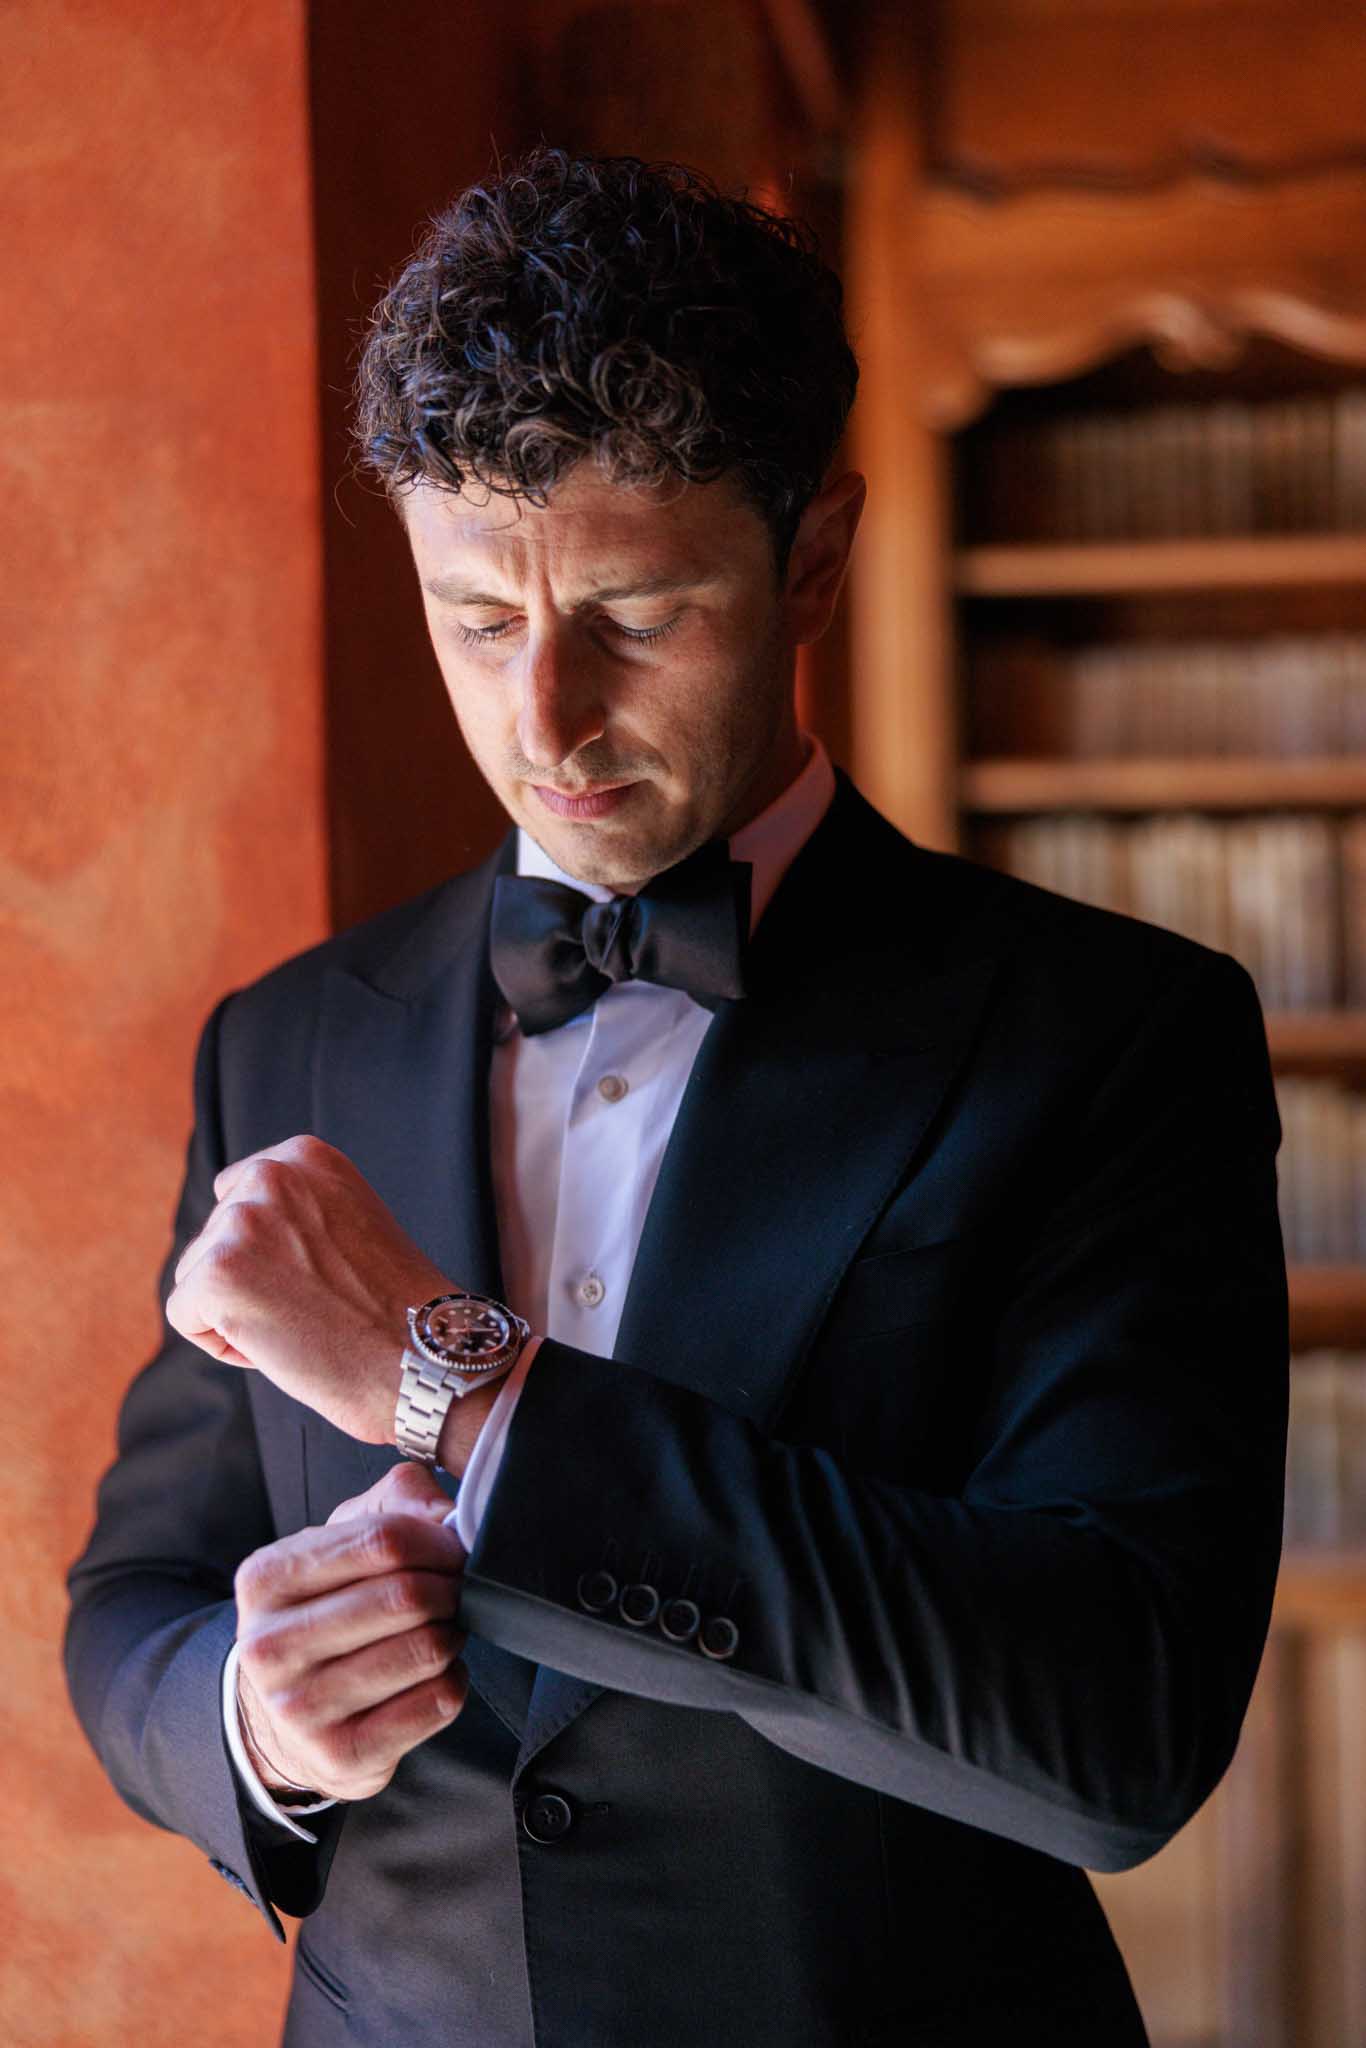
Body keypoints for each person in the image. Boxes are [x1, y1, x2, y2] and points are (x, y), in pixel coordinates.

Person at [65, 145, 1288, 2048]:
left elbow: (1111, 1729)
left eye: (632, 616)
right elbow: (134, 1599)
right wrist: (248, 1714)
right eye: (477, 618)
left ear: (810, 560)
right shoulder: (286, 1038)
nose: (542, 721)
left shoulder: (1108, 1035)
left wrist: (452, 1378)